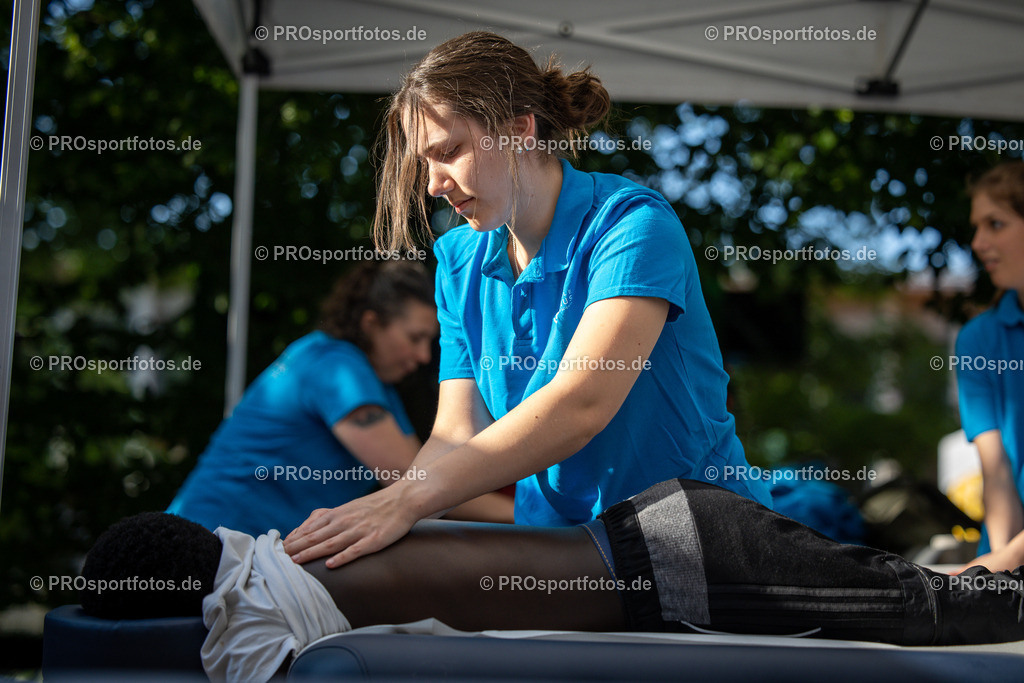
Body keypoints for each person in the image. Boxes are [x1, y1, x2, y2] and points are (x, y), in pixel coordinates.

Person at [283, 31, 771, 569]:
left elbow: (580, 405)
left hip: (696, 542)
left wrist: (405, 501)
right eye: (425, 161)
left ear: (519, 129)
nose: (433, 184)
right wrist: (391, 507)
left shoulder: (632, 225)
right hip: (561, 550)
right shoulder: (457, 261)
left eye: (449, 152)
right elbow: (455, 434)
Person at [84, 479, 1024, 683]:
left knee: (932, 609)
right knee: (925, 594)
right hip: (663, 533)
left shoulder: (245, 613)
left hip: (677, 564)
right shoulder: (263, 551)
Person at [167, 259, 513, 537]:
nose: (424, 356)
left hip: (237, 550)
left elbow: (424, 475)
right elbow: (415, 484)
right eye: (415, 338)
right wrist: (522, 514)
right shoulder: (336, 366)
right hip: (206, 545)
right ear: (371, 323)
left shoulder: (373, 384)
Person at [954, 161, 1024, 573]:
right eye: (976, 227)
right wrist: (1003, 572)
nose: (978, 243)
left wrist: (1010, 559)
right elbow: (996, 474)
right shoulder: (977, 340)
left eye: (995, 224)